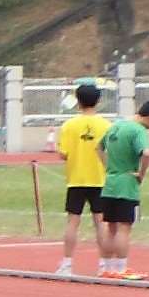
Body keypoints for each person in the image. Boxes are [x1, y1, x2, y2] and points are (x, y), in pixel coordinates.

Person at [51, 81, 112, 277]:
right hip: (100, 179)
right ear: (98, 101)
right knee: (100, 222)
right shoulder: (107, 125)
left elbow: (64, 154)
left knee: (72, 222)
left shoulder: (69, 125)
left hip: (76, 179)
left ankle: (67, 264)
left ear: (78, 101)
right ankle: (104, 265)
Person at [97, 97, 149, 278]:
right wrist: (141, 174)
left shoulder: (116, 126)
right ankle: (121, 268)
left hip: (110, 183)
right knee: (124, 227)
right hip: (126, 183)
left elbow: (98, 147)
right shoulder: (138, 130)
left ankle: (106, 268)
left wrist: (108, 167)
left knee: (110, 227)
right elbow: (147, 153)